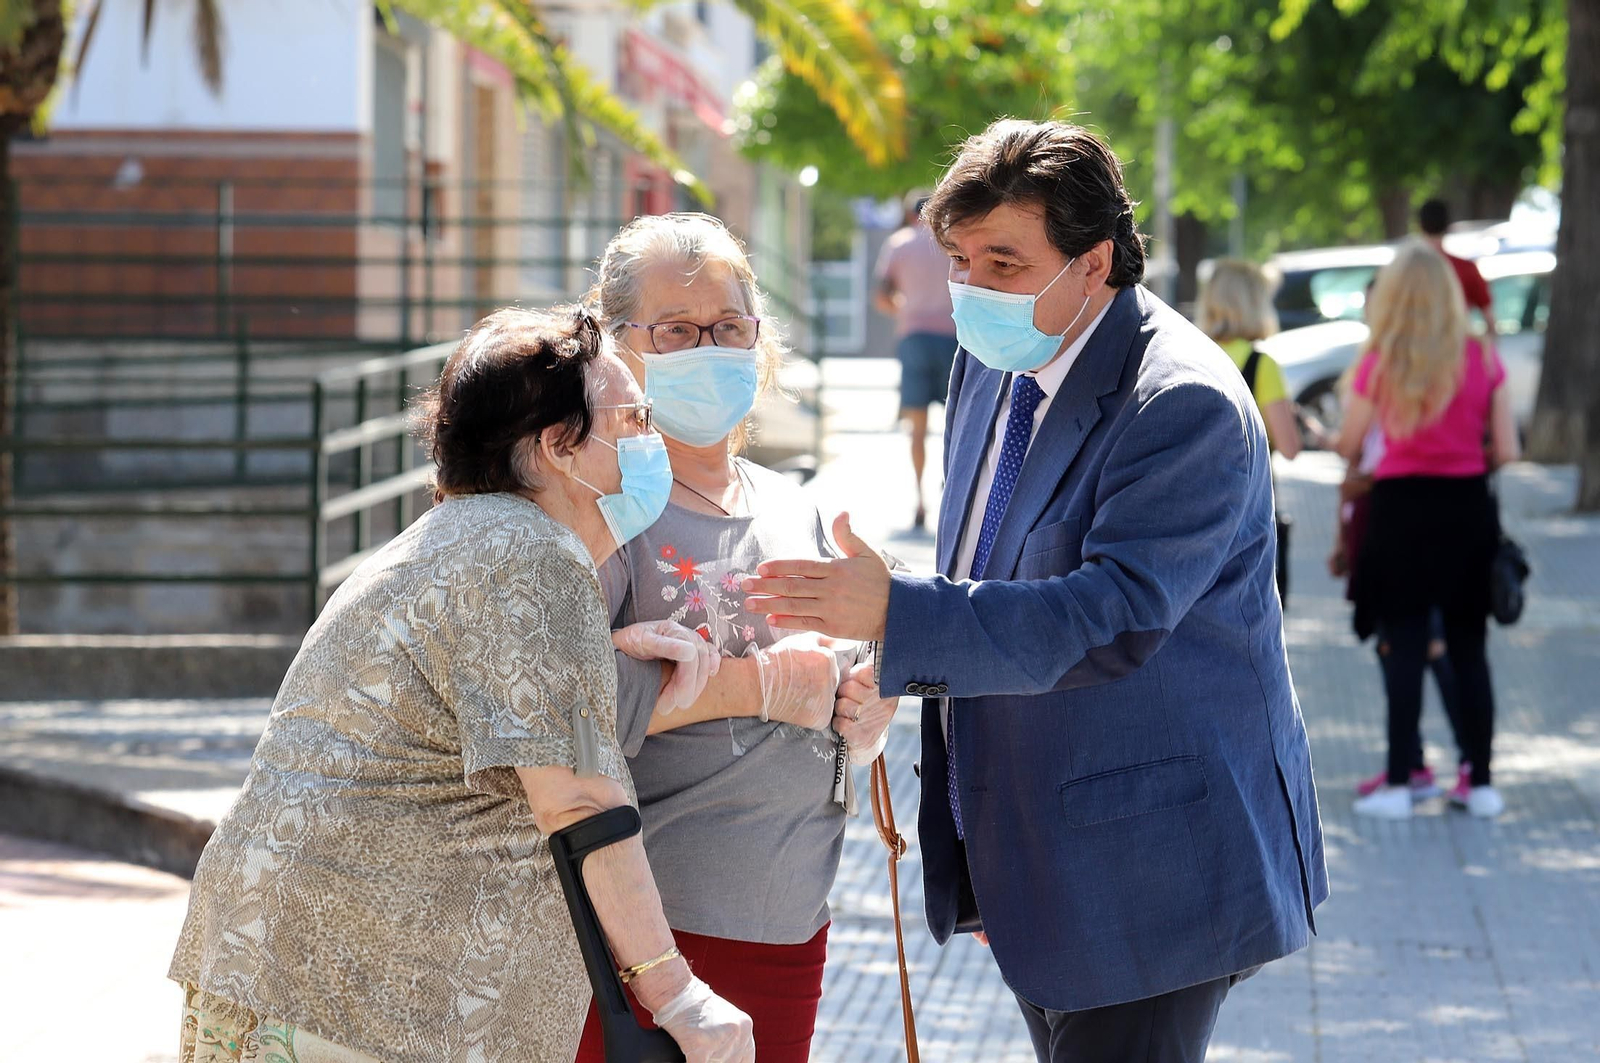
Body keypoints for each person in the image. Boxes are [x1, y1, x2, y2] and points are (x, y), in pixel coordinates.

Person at [742, 119, 1327, 1063]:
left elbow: (1109, 617)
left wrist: (900, 615)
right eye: (959, 259)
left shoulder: (1183, 403)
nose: (970, 287)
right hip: (1038, 855)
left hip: (1149, 873)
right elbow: (987, 571)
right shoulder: (995, 360)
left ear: (1093, 262)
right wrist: (904, 657)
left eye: (1003, 262)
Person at [168, 307, 755, 1063]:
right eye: (634, 416)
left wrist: (600, 661)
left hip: (278, 970)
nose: (652, 437)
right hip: (360, 998)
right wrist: (676, 994)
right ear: (558, 445)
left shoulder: (461, 537)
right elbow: (578, 797)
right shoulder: (532, 555)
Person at [572, 213, 898, 1063]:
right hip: (644, 944)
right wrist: (761, 687)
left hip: (792, 929)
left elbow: (848, 666)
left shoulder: (796, 502)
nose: (706, 348)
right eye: (675, 330)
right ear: (614, 344)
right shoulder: (604, 512)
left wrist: (869, 700)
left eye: (727, 328)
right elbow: (559, 698)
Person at [1340, 241, 1519, 820]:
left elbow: (1349, 444)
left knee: (1405, 645)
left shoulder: (1380, 362)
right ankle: (1482, 783)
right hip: (1467, 508)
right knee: (1470, 647)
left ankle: (1398, 784)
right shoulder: (1483, 359)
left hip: (1399, 510)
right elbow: (1509, 450)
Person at [875, 188, 961, 529]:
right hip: (954, 338)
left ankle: (920, 500)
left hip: (913, 337)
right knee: (957, 421)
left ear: (911, 214)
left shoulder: (897, 244)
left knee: (917, 426)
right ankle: (952, 490)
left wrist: (904, 308)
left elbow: (882, 295)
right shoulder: (952, 244)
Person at [1195, 259, 1302, 460]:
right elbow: (1290, 448)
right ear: (1255, 304)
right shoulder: (1261, 364)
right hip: (1246, 487)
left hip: (1197, 485)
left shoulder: (1190, 353)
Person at [1418, 198, 1495, 330]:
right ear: (1447, 225)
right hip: (1458, 344)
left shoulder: (1406, 272)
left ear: (1420, 225)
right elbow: (1489, 319)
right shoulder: (1466, 269)